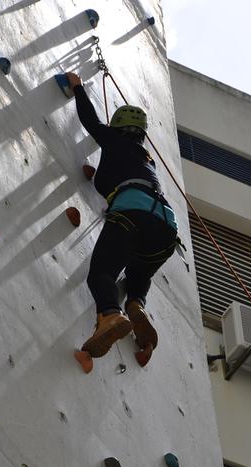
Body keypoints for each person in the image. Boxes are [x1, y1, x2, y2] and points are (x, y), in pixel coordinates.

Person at [66, 72, 178, 358]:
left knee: (101, 274)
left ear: (117, 127)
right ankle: (136, 304)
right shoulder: (145, 158)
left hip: (133, 213)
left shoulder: (115, 141)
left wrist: (77, 87)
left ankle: (111, 315)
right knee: (139, 271)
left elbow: (90, 120)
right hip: (166, 227)